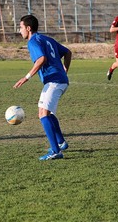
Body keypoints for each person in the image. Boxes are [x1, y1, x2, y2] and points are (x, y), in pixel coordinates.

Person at [13, 15, 72, 161]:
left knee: (43, 114)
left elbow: (41, 59)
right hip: (59, 80)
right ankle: (61, 142)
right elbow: (68, 52)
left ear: (28, 28)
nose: (19, 30)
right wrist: (65, 69)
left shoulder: (33, 41)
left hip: (54, 81)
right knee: (45, 112)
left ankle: (55, 151)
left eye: (20, 27)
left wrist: (26, 78)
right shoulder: (46, 39)